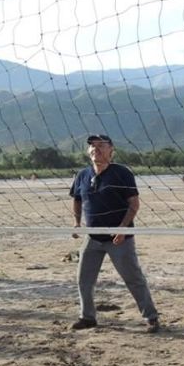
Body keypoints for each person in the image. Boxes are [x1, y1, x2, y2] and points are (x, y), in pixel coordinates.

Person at [69, 134, 159, 332]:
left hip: (119, 237)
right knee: (84, 279)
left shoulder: (122, 173)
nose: (96, 149)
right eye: (92, 145)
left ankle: (151, 317)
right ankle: (87, 317)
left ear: (111, 150)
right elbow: (76, 198)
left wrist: (123, 228)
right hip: (93, 236)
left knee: (133, 278)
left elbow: (134, 203)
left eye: (101, 145)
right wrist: (77, 222)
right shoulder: (82, 174)